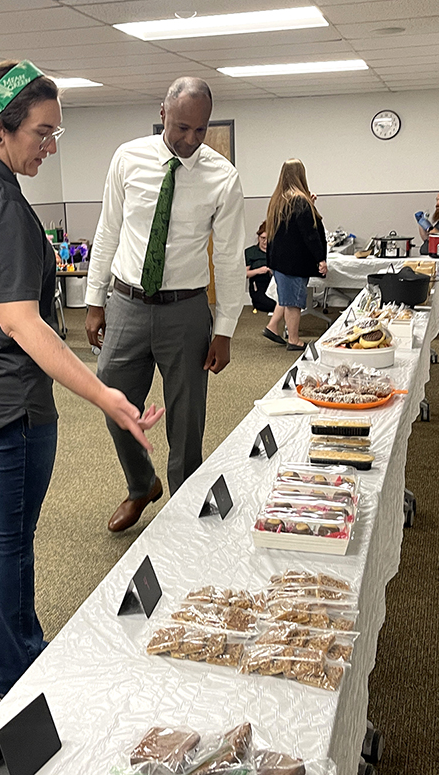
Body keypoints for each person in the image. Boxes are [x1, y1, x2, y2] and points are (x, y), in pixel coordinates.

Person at [0, 60, 162, 701]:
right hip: (8, 394)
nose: (49, 145)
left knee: (1, 522)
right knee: (13, 538)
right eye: (42, 133)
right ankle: (21, 674)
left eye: (55, 134)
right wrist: (105, 394)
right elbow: (24, 322)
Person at [84, 77, 246, 533]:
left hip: (187, 310)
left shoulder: (222, 176)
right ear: (162, 114)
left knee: (187, 417)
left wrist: (226, 329)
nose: (191, 140)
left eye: (201, 130)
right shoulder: (127, 158)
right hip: (127, 303)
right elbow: (107, 231)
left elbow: (232, 257)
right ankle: (142, 485)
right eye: (181, 127)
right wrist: (94, 301)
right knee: (112, 396)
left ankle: (184, 508)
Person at [262, 159, 327, 352]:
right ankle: (294, 340)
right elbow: (309, 233)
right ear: (301, 175)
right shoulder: (299, 200)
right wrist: (320, 258)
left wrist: (310, 203)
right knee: (294, 302)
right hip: (294, 261)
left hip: (279, 260)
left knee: (287, 298)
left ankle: (273, 327)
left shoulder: (278, 200)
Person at [245, 221, 276, 314]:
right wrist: (258, 271)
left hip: (274, 285)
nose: (265, 242)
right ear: (258, 237)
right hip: (258, 286)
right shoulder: (251, 252)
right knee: (270, 305)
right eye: (263, 238)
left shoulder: (276, 252)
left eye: (268, 238)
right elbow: (245, 274)